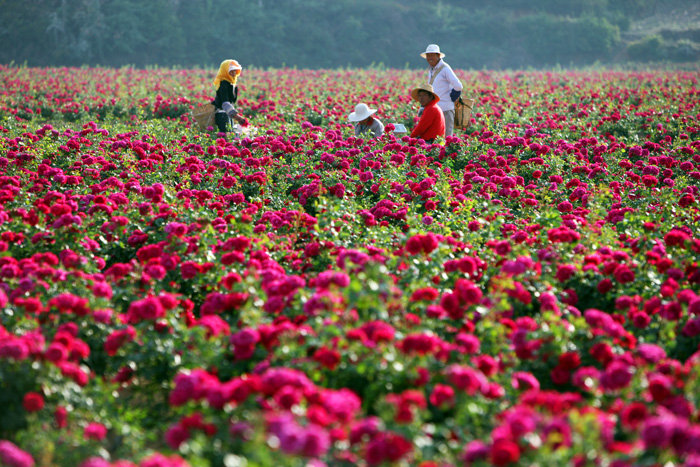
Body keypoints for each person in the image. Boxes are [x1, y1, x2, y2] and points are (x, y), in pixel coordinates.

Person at [420, 44, 463, 137]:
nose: (430, 58)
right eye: (428, 55)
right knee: (435, 139)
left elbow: (458, 86)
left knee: (446, 138)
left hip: (445, 109)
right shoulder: (431, 69)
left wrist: (452, 97)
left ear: (438, 56)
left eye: (432, 55)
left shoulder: (445, 68)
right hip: (435, 110)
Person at [212, 59, 247, 133]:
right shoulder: (223, 84)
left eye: (235, 71)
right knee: (225, 135)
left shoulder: (232, 84)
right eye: (231, 71)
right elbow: (225, 103)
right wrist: (237, 117)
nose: (234, 73)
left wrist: (234, 115)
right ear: (225, 72)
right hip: (222, 114)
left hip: (228, 114)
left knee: (230, 134)